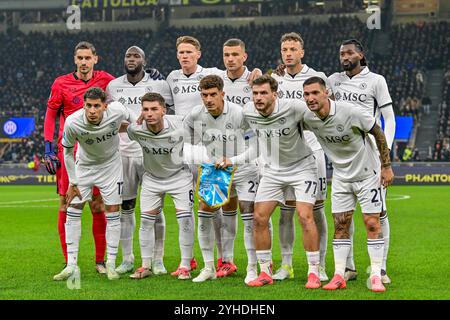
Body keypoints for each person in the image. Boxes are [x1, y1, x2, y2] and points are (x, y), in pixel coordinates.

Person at [166, 35, 261, 274]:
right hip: (210, 157)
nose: (230, 60)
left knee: (250, 212)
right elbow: (181, 130)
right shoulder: (176, 80)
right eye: (226, 55)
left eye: (234, 55)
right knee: (210, 208)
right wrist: (195, 152)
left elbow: (257, 142)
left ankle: (258, 266)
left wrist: (256, 72)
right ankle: (217, 261)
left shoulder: (232, 80)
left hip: (243, 158)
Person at [301, 76, 394, 292]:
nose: (310, 98)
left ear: (326, 92)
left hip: (368, 174)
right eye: (306, 94)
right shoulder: (308, 117)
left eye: (315, 93)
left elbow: (377, 132)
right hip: (342, 177)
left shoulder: (350, 112)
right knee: (340, 225)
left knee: (372, 223)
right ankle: (339, 274)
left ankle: (376, 275)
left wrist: (386, 166)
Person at [243, 75, 321, 288]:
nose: (258, 98)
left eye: (263, 93)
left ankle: (314, 271)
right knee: (258, 218)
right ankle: (264, 271)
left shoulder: (294, 108)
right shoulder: (248, 111)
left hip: (302, 167)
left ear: (275, 94)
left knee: (305, 216)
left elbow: (322, 119)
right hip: (272, 170)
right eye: (255, 93)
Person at [328, 39, 396, 284]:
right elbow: (311, 88)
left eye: (348, 52)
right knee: (345, 213)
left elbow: (389, 117)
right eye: (341, 53)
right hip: (344, 154)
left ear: (360, 55)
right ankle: (348, 266)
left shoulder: (376, 81)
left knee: (378, 213)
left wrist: (383, 153)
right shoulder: (333, 80)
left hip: (371, 155)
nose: (344, 57)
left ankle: (382, 268)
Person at [44, 41, 114, 274]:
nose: (84, 62)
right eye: (80, 58)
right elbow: (51, 114)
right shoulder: (60, 83)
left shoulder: (107, 81)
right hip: (69, 153)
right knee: (66, 202)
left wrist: (148, 73)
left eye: (88, 58)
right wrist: (47, 148)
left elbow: (126, 90)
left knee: (97, 205)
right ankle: (69, 262)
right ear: (75, 60)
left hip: (96, 152)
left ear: (96, 59)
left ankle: (100, 261)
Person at [54, 87, 136, 281]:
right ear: (84, 105)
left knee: (113, 211)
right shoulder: (73, 122)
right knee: (73, 209)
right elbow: (66, 153)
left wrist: (137, 124)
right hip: (84, 167)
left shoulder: (116, 110)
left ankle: (111, 264)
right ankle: (71, 265)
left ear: (104, 106)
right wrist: (73, 182)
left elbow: (132, 116)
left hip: (111, 166)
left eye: (96, 106)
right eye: (88, 106)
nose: (92, 110)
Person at [184, 75, 259, 284]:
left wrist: (233, 160)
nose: (208, 99)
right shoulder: (195, 115)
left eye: (213, 95)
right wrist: (203, 157)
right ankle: (209, 267)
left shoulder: (238, 114)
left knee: (249, 215)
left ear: (222, 94)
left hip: (244, 169)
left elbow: (257, 146)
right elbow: (186, 139)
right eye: (204, 95)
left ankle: (253, 267)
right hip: (217, 170)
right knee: (204, 212)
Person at [106, 46, 173, 276]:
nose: (131, 59)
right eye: (128, 56)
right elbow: (110, 120)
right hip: (123, 153)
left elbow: (168, 115)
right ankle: (127, 258)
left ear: (144, 60)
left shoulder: (160, 85)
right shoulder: (113, 86)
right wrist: (136, 126)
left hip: (151, 153)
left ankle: (158, 259)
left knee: (154, 207)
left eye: (136, 56)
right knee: (126, 207)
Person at [271, 32, 329, 282]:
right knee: (285, 211)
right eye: (285, 49)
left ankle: (322, 264)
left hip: (313, 150)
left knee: (315, 210)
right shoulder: (274, 79)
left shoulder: (317, 78)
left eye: (293, 49)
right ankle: (286, 265)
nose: (288, 53)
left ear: (302, 52)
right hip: (283, 153)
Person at [126, 93, 195, 280]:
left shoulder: (181, 124)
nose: (149, 113)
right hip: (152, 178)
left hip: (179, 176)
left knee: (185, 219)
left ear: (164, 110)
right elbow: (128, 130)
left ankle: (185, 265)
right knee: (146, 221)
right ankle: (146, 265)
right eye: (145, 109)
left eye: (154, 109)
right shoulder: (136, 129)